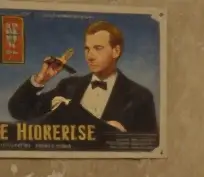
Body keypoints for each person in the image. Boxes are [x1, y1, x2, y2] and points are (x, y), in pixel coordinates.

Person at [7, 20, 158, 136]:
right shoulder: (68, 87)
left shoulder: (140, 97)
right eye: (87, 49)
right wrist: (41, 79)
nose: (90, 56)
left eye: (98, 48)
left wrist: (121, 135)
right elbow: (18, 110)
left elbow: (149, 145)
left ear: (116, 51)